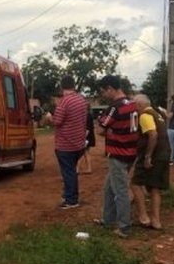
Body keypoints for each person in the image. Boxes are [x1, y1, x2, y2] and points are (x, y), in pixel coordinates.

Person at [94, 75, 139, 238]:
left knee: (120, 190)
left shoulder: (115, 107)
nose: (104, 95)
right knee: (109, 188)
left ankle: (124, 227)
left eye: (104, 92)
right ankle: (107, 220)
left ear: (110, 89)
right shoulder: (132, 103)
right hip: (130, 152)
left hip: (118, 153)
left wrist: (109, 130)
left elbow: (101, 128)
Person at [43, 75, 88, 208]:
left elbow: (57, 121)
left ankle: (71, 199)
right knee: (72, 171)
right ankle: (72, 196)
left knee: (68, 173)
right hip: (79, 143)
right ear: (74, 85)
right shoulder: (81, 100)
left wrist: (49, 117)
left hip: (65, 144)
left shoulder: (64, 102)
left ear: (62, 86)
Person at [130, 94, 170, 230]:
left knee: (135, 184)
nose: (134, 109)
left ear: (139, 105)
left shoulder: (145, 116)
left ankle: (143, 217)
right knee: (155, 187)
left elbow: (153, 134)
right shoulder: (158, 114)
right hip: (164, 154)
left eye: (134, 106)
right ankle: (156, 221)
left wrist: (147, 156)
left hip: (154, 156)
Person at [77, 109, 95, 175]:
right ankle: (89, 168)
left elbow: (87, 128)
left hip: (86, 137)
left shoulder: (86, 115)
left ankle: (77, 169)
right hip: (89, 136)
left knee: (81, 153)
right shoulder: (88, 115)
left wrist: (83, 138)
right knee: (86, 152)